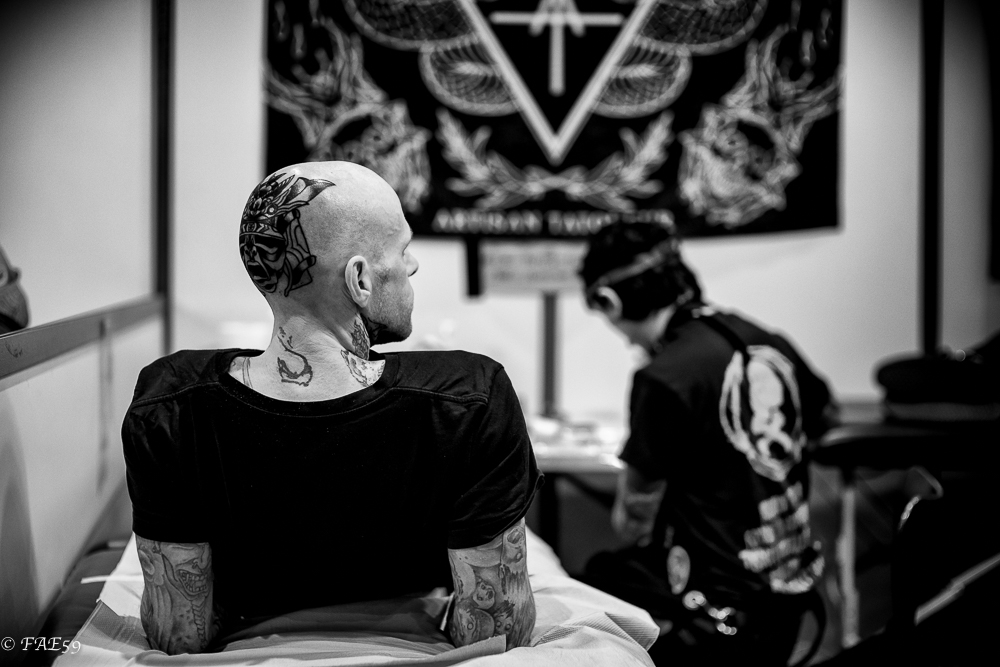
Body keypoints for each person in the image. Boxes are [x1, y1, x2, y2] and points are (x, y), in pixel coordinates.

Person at [122, 162, 540, 654]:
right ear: (359, 278)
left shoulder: (172, 406)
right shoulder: (468, 399)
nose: (412, 266)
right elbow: (494, 632)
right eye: (403, 250)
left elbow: (180, 633)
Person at [578, 221, 837, 666]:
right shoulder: (764, 340)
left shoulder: (664, 377)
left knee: (584, 590)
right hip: (789, 603)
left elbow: (632, 522)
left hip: (716, 622)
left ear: (609, 301)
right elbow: (825, 414)